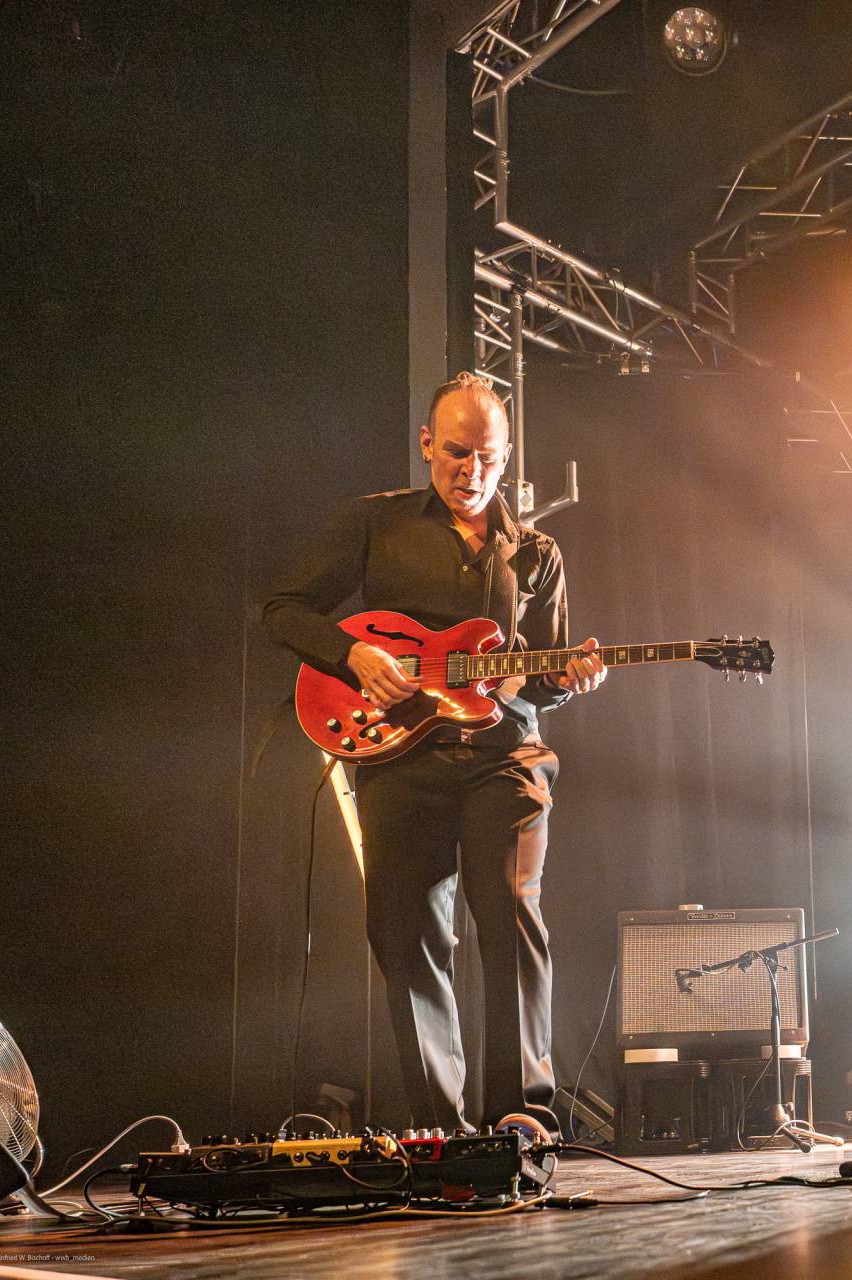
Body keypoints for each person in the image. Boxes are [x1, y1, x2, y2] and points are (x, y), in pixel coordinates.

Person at [262, 371, 606, 1133]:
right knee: (406, 935)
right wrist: (352, 655)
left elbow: (538, 679)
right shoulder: (373, 523)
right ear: (426, 445)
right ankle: (442, 1133)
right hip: (398, 758)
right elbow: (283, 609)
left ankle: (521, 1122)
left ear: (507, 456)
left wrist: (567, 679)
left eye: (487, 457)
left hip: (503, 758)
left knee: (510, 913)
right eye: (456, 452)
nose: (471, 471)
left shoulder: (536, 553)